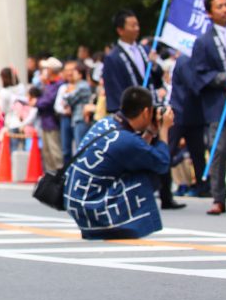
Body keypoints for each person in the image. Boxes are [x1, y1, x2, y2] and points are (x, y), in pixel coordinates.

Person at [65, 87, 171, 240]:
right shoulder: (126, 140)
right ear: (146, 112)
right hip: (91, 206)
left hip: (76, 200)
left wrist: (150, 133)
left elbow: (137, 151)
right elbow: (162, 163)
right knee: (148, 174)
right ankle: (113, 227)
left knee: (141, 163)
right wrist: (164, 130)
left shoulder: (106, 123)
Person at [191, 0, 226, 215]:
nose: (225, 9)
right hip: (219, 103)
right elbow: (199, 75)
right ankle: (218, 196)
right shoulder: (203, 42)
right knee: (220, 149)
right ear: (209, 13)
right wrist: (225, 77)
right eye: (219, 6)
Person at [102, 10, 160, 113]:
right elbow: (114, 89)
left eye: (137, 25)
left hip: (150, 108)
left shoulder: (145, 50)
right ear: (120, 30)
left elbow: (157, 79)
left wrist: (155, 65)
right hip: (131, 112)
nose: (137, 29)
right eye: (133, 26)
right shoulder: (113, 57)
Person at [168, 53, 208, 198]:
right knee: (169, 151)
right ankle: (164, 188)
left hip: (193, 114)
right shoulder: (185, 60)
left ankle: (202, 185)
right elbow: (193, 84)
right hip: (180, 112)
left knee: (197, 153)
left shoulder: (194, 60)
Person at [36, 57, 64, 172]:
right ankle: (50, 177)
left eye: (46, 68)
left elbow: (47, 101)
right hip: (45, 121)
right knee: (46, 152)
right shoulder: (48, 84)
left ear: (51, 70)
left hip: (52, 121)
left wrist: (36, 102)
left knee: (54, 150)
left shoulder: (58, 84)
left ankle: (58, 176)